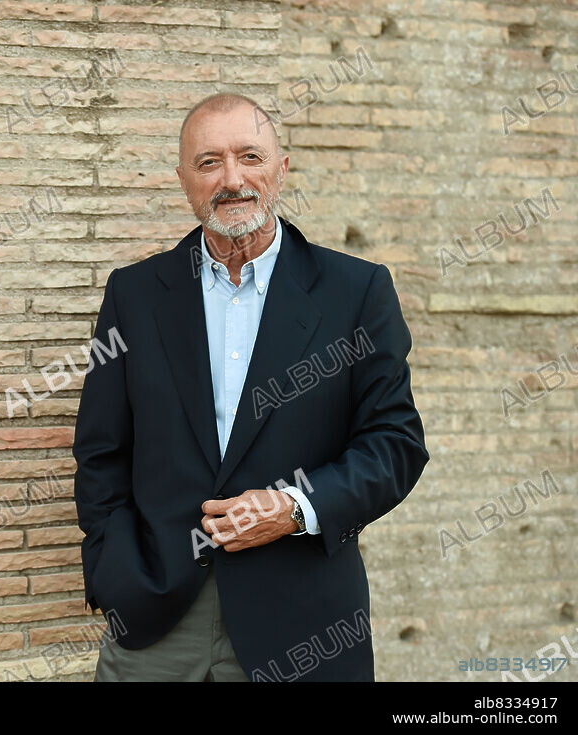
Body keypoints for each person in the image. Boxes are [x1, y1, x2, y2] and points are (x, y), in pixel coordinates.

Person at [72, 92, 429, 681]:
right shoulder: (133, 296)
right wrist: (115, 574)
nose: (232, 179)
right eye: (209, 162)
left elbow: (394, 443)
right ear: (184, 179)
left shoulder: (357, 292)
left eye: (250, 157)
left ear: (281, 168)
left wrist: (294, 508)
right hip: (156, 619)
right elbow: (101, 451)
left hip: (303, 622)